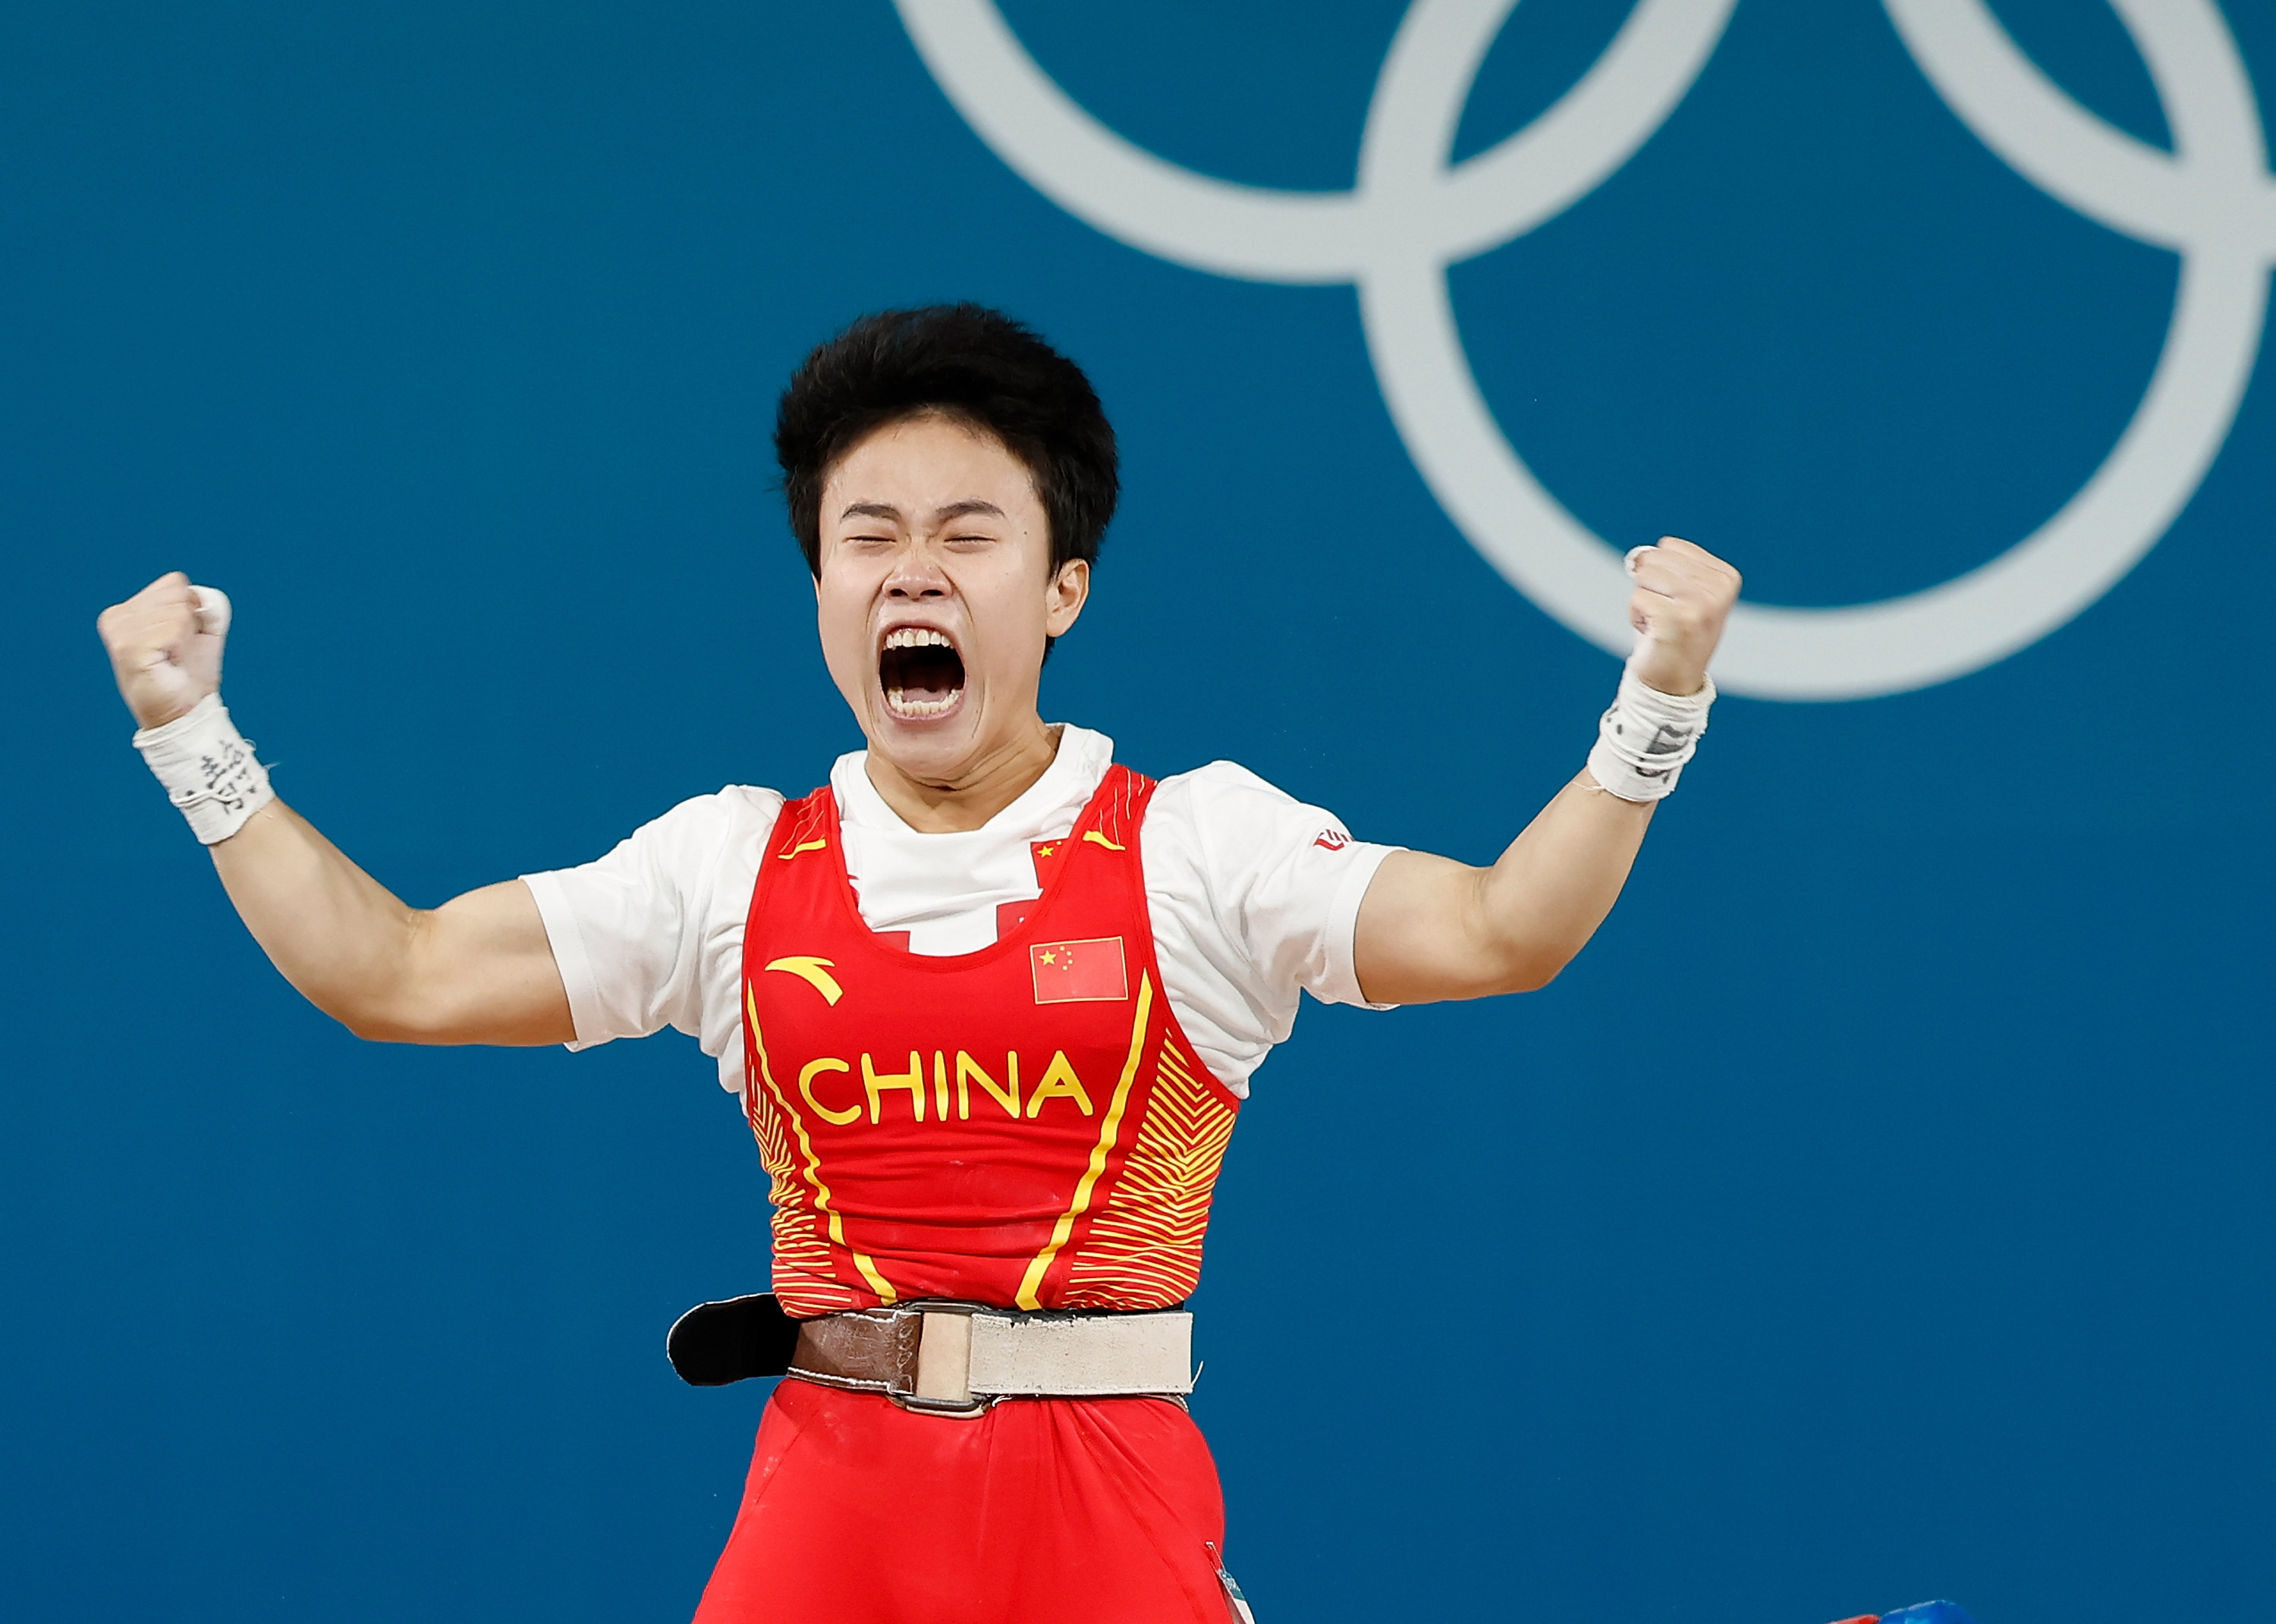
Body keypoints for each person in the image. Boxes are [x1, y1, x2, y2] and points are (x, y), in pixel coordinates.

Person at [96, 303, 1740, 1622]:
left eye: (969, 530)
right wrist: (192, 734)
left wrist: (1660, 696)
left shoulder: (1197, 850)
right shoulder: (731, 869)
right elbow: (391, 972)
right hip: (825, 1528)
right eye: (865, 533)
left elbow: (1503, 932)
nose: (912, 569)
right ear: (823, 587)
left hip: (1105, 1519)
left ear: (1063, 587)